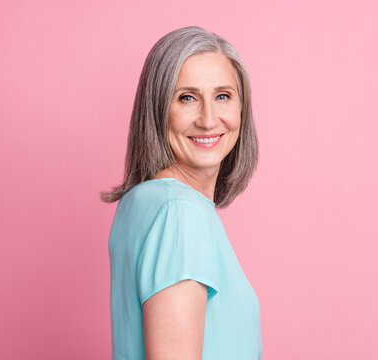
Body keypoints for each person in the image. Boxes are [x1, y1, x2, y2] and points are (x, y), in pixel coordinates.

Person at [100, 26, 262, 360]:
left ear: (241, 109)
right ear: (158, 110)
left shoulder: (142, 203)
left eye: (223, 96)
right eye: (186, 98)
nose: (208, 119)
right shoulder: (180, 213)